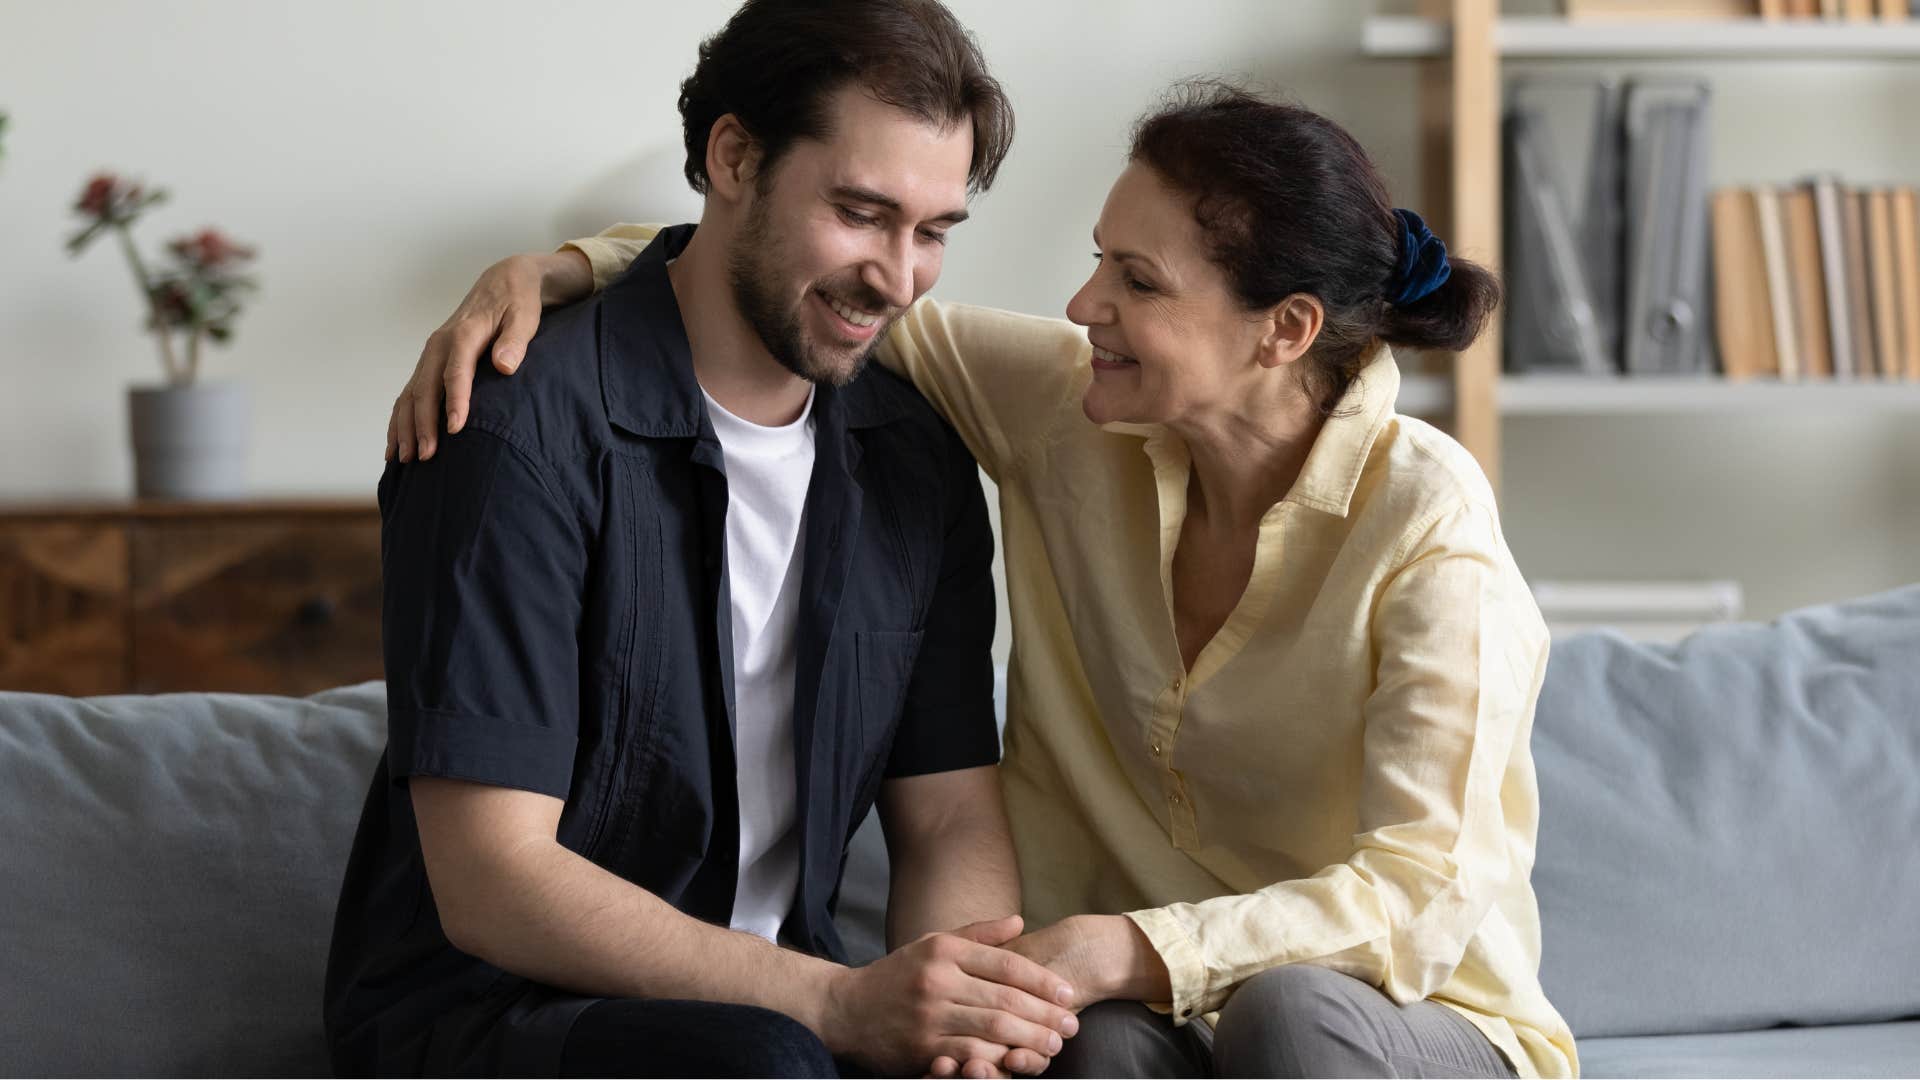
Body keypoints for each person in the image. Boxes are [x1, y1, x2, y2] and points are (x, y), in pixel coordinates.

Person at [395, 83, 1582, 1079]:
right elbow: (831, 293)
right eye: (1097, 263)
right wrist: (557, 270)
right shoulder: (1072, 409)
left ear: (1283, 331)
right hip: (1139, 1011)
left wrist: (1126, 948)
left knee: (1290, 1015)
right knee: (1089, 1051)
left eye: (1138, 281)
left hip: (1402, 1019)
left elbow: (1423, 895)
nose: (1084, 307)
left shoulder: (1429, 522)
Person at [325, 2, 1088, 1076]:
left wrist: (958, 1026)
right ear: (734, 157)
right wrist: (840, 1004)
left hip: (792, 1012)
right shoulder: (513, 430)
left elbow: (952, 816)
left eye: (935, 232)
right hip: (497, 1021)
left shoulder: (914, 458)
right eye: (862, 213)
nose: (899, 276)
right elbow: (493, 882)